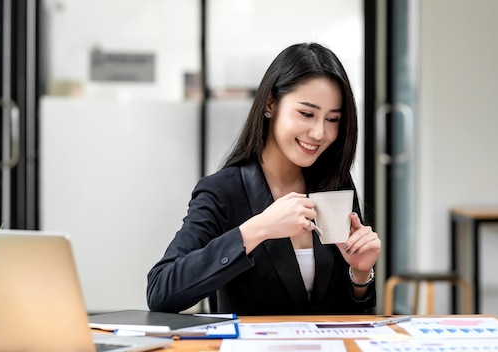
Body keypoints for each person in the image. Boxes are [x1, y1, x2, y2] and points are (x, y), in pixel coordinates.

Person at [146, 42, 381, 315]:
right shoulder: (223, 191)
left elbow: (346, 315)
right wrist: (257, 230)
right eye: (307, 114)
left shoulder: (334, 186)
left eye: (332, 119)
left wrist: (360, 274)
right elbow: (161, 291)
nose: (319, 133)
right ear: (271, 103)